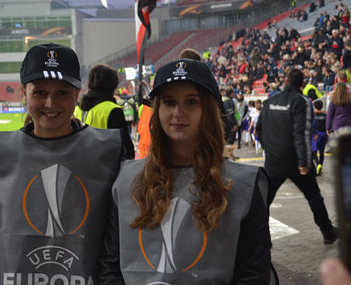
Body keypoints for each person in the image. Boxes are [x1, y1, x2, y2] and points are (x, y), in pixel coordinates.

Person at [98, 58, 271, 283]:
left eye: (191, 102)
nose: (178, 112)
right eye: (169, 102)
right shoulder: (125, 181)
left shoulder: (245, 185)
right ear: (157, 108)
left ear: (207, 109)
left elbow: (253, 274)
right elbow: (109, 268)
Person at [0, 43, 127, 284]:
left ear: (77, 94)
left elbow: (115, 246)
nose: (50, 104)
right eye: (40, 93)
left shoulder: (109, 151)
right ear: (25, 93)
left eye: (62, 93)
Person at [256, 68, 338, 244]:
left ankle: (261, 239)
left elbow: (259, 130)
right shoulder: (302, 101)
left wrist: (269, 150)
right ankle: (327, 232)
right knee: (314, 197)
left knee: (263, 201)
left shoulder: (270, 101)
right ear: (302, 84)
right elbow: (301, 132)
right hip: (295, 161)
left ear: (285, 81)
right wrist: (303, 162)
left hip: (273, 161)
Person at [73, 64, 134, 159]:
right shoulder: (113, 110)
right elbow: (126, 149)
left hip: (80, 166)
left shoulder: (77, 109)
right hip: (106, 168)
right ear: (113, 86)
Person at [312, 100, 328, 175]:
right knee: (322, 152)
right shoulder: (325, 115)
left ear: (314, 106)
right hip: (324, 134)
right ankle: (320, 166)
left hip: (316, 134)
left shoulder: (313, 115)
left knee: (314, 152)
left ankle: (317, 165)